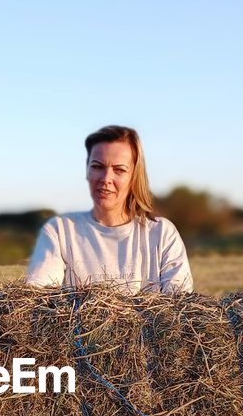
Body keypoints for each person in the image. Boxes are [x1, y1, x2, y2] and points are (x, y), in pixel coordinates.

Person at [24, 125, 193, 293]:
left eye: (119, 170)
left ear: (134, 176)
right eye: (97, 167)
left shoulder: (162, 234)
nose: (106, 178)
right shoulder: (59, 231)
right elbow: (39, 298)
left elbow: (178, 304)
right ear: (87, 171)